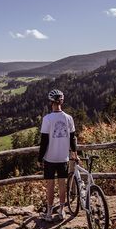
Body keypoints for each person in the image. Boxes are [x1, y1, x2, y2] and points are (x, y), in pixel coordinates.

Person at [39, 89, 78, 221]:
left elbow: (44, 141)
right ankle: (61, 211)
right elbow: (72, 138)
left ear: (51, 102)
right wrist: (74, 152)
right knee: (62, 184)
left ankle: (49, 213)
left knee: (50, 185)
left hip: (50, 158)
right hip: (63, 158)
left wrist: (39, 158)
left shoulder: (47, 119)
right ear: (62, 101)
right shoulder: (69, 118)